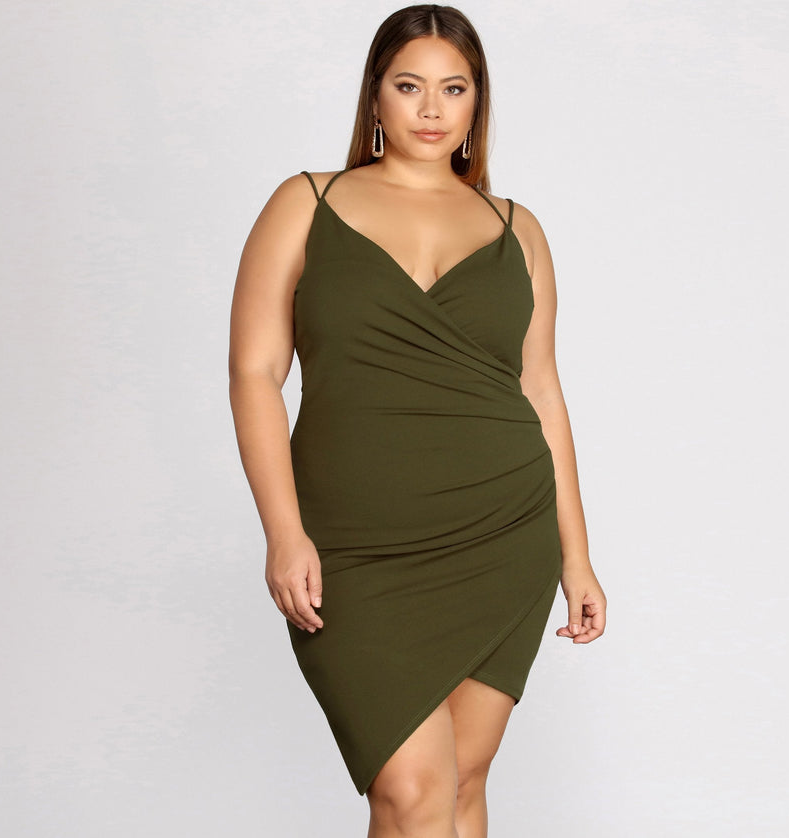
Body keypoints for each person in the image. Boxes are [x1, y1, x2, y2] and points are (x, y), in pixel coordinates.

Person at [228, 5, 606, 836]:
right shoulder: (307, 202)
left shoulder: (518, 229)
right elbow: (255, 373)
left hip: (503, 535)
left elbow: (542, 393)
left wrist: (577, 558)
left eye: (454, 89)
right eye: (409, 86)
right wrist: (284, 533)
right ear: (375, 97)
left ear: (477, 102)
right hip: (356, 544)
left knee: (459, 785)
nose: (432, 109)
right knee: (410, 790)